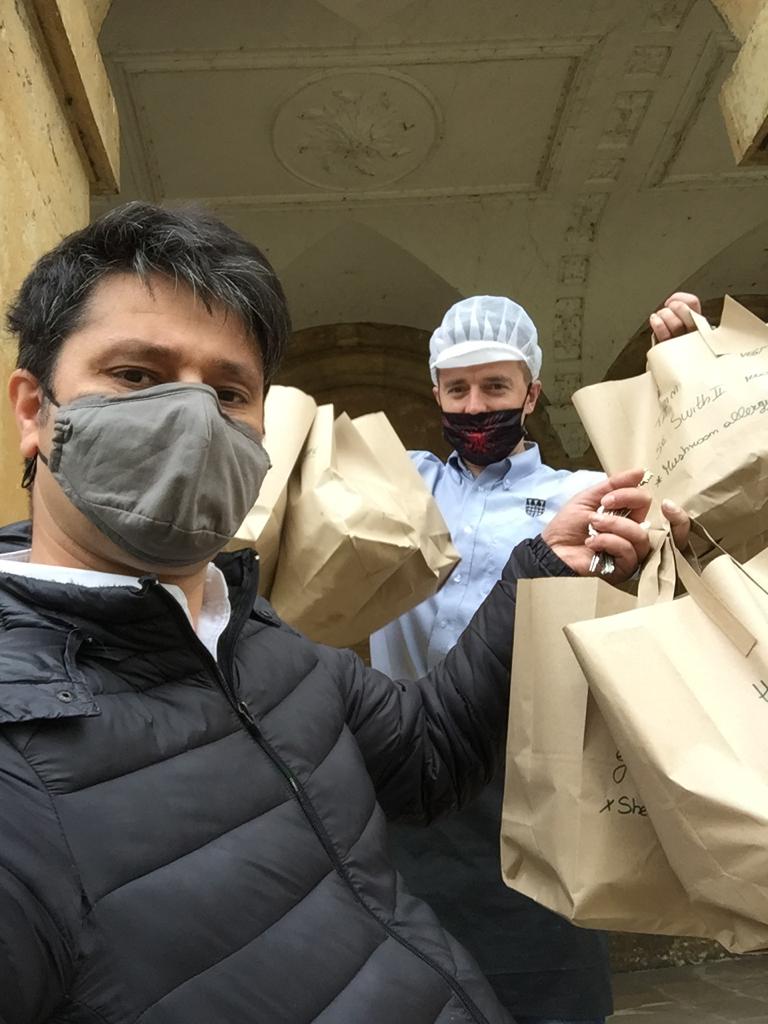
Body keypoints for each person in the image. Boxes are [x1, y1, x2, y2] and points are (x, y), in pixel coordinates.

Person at [0, 202, 674, 1024]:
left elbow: (427, 752)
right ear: (35, 410)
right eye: (136, 376)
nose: (189, 423)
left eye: (228, 392)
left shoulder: (262, 643)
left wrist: (543, 561)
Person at [369, 296, 648, 1023]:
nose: (475, 404)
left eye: (496, 387)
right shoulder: (401, 482)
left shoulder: (578, 497)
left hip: (530, 771)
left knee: (546, 983)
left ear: (531, 392)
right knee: (417, 981)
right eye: (457, 388)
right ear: (434, 391)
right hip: (410, 761)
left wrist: (679, 354)